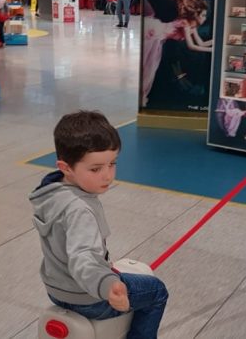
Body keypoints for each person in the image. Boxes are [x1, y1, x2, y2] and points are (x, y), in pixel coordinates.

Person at [30, 111, 168, 339]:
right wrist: (107, 284)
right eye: (96, 169)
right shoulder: (80, 209)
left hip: (56, 290)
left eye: (112, 164)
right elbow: (83, 257)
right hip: (87, 297)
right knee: (156, 291)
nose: (107, 176)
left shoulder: (49, 192)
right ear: (65, 167)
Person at [141, 0, 213, 107]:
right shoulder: (186, 23)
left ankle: (143, 96)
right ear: (196, 14)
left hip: (159, 39)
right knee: (147, 68)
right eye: (203, 15)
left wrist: (217, 42)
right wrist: (213, 50)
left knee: (149, 68)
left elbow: (201, 44)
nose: (204, 18)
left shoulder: (192, 26)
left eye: (205, 15)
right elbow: (192, 46)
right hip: (154, 34)